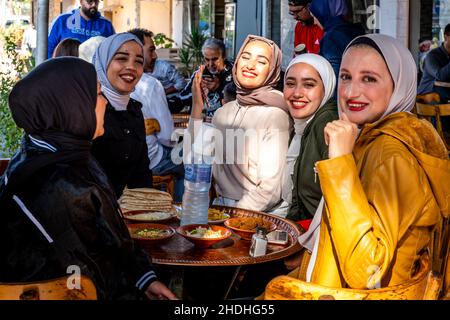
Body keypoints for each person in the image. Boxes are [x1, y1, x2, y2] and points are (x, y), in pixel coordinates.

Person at [264, 34, 450, 294]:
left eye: (369, 79)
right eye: (346, 77)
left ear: (399, 85)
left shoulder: (393, 154)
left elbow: (366, 270)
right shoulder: (369, 138)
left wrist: (340, 163)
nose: (351, 92)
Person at [0, 57, 176, 300]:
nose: (105, 102)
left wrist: (144, 278)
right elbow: (83, 277)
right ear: (72, 105)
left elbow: (109, 240)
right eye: (97, 94)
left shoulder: (57, 152)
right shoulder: (57, 184)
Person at [189, 35, 291, 212]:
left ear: (272, 70)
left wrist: (232, 216)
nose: (250, 65)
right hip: (220, 209)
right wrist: (197, 105)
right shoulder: (223, 112)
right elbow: (194, 158)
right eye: (245, 57)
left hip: (258, 216)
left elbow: (269, 191)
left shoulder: (275, 115)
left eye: (261, 61)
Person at [270, 54, 338, 222]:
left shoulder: (327, 124)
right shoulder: (301, 124)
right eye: (290, 84)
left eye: (309, 85)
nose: (297, 93)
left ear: (327, 88)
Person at [91, 33, 153, 198]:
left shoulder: (134, 110)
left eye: (139, 61)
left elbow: (141, 175)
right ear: (104, 62)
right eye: (122, 58)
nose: (131, 67)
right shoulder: (90, 108)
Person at [128, 28, 187, 114]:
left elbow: (182, 83)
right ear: (136, 50)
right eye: (151, 50)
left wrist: (163, 92)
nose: (155, 56)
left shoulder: (164, 67)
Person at [309, 0, 365, 85]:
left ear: (324, 13)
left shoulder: (331, 38)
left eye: (316, 16)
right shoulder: (354, 30)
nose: (315, 22)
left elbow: (334, 77)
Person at [180, 38, 234, 117]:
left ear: (224, 56)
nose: (210, 64)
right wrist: (199, 91)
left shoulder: (234, 71)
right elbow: (182, 98)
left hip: (224, 123)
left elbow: (237, 101)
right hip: (200, 123)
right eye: (207, 59)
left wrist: (218, 88)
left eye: (215, 59)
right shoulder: (200, 72)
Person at [48, 0, 115, 58]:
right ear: (81, 1)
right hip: (66, 69)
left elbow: (112, 51)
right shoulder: (62, 20)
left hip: (93, 71)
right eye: (90, 1)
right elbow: (48, 48)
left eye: (96, 1)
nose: (94, 4)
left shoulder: (106, 25)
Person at [418, 23, 450, 102]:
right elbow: (439, 76)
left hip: (444, 98)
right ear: (446, 37)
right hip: (426, 99)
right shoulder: (432, 56)